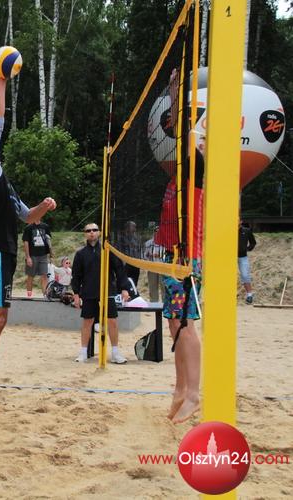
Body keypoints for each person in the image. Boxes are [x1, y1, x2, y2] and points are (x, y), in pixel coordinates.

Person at [0, 74, 57, 409]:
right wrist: (1, 83)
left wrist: (43, 207)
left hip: (5, 252)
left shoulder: (4, 182)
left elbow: (27, 217)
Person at [154, 68, 203, 424]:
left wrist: (174, 91)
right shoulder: (177, 176)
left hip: (188, 257)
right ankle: (180, 387)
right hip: (172, 256)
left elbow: (182, 129)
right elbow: (176, 131)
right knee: (173, 324)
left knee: (184, 324)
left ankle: (194, 394)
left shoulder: (196, 167)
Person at [71, 223, 130, 364]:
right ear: (85, 234)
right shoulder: (80, 254)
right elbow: (76, 275)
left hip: (107, 290)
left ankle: (115, 353)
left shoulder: (108, 250)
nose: (91, 232)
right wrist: (76, 294)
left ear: (99, 232)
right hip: (89, 291)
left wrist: (124, 288)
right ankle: (83, 353)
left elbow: (119, 270)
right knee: (87, 321)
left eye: (94, 230)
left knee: (112, 321)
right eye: (88, 230)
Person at [22, 219, 53, 297]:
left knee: (44, 275)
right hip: (32, 255)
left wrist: (51, 253)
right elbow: (26, 242)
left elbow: (48, 240)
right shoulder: (28, 227)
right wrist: (28, 257)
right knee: (31, 275)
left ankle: (45, 295)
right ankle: (29, 295)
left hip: (43, 255)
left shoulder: (45, 226)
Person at [143, 226, 165, 302]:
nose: (157, 233)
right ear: (154, 233)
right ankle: (153, 303)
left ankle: (165, 303)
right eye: (156, 232)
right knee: (152, 287)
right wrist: (148, 263)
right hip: (152, 268)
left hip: (163, 268)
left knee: (164, 286)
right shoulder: (148, 243)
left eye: (159, 232)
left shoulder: (166, 243)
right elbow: (144, 255)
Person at [118, 220, 142, 288]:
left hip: (136, 265)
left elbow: (139, 251)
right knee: (126, 283)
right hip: (126, 265)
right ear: (127, 228)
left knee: (134, 284)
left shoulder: (137, 239)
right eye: (133, 227)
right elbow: (120, 251)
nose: (135, 228)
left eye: (135, 227)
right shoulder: (122, 239)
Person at [238, 220, 256, 304]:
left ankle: (249, 295)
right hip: (230, 257)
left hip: (243, 257)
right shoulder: (228, 231)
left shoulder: (247, 231)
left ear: (240, 221)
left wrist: (247, 249)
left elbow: (253, 242)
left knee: (245, 275)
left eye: (237, 220)